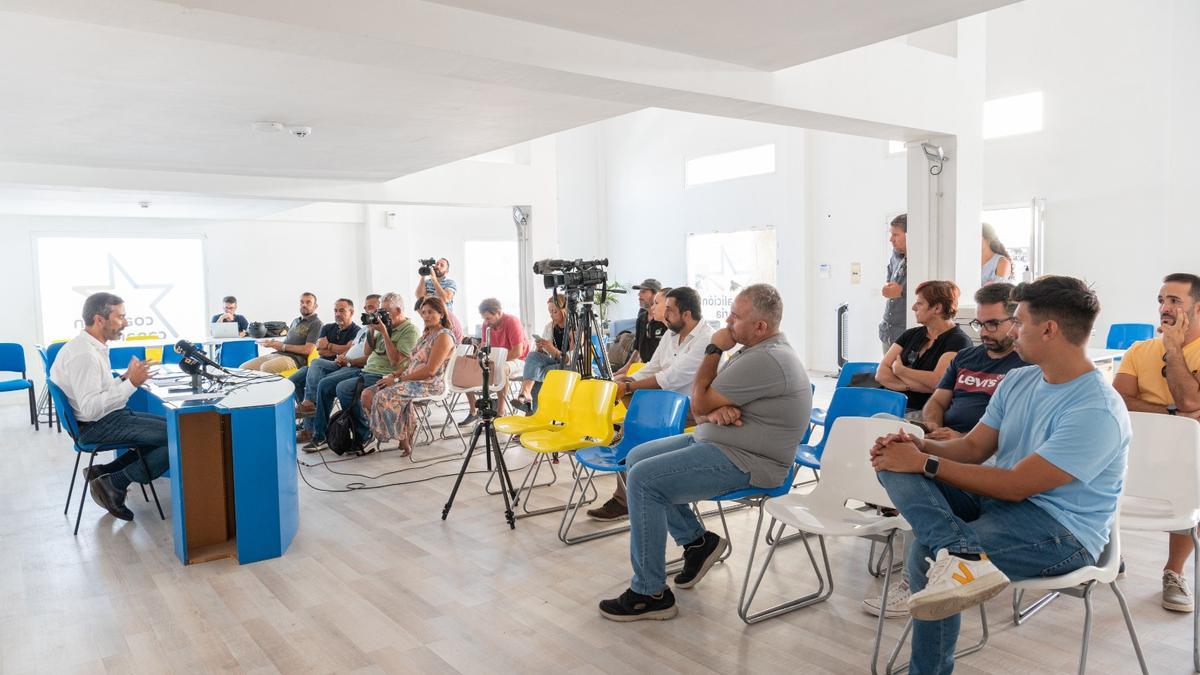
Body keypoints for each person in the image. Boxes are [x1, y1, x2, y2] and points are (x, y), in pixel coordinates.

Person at [872, 275, 1128, 673]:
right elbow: (973, 449)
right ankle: (961, 553)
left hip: (1060, 532)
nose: (1012, 330)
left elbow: (1015, 486)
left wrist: (924, 462)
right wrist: (920, 447)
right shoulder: (1020, 379)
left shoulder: (1096, 409)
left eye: (1019, 322)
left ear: (1048, 329)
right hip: (1000, 503)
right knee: (891, 460)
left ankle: (954, 565)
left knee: (927, 552)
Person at [598, 284, 810, 621]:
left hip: (750, 461)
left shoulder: (767, 358)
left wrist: (713, 349)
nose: (727, 321)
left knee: (643, 480)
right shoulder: (756, 350)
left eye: (736, 317)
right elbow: (708, 402)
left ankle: (649, 592)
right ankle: (697, 543)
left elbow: (700, 398)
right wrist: (714, 409)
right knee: (636, 457)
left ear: (760, 327)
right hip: (720, 441)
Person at [863, 283, 1028, 619]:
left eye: (993, 324)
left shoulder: (1023, 367)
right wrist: (934, 429)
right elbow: (937, 401)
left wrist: (962, 437)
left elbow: (1009, 431)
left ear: (1016, 322)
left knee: (914, 467)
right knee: (890, 443)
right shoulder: (968, 358)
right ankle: (957, 552)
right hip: (945, 438)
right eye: (979, 324)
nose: (984, 332)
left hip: (988, 450)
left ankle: (917, 579)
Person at [587, 286, 715, 523]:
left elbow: (671, 378)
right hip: (663, 403)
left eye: (669, 309)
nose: (663, 314)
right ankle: (626, 490)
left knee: (633, 421)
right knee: (628, 413)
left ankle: (629, 491)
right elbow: (653, 367)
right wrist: (625, 380)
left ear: (686, 314)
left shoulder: (707, 340)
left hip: (692, 409)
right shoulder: (672, 334)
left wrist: (628, 387)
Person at [1113, 272, 1200, 612]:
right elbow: (1119, 399)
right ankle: (1109, 556)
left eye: (1175, 301)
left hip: (1186, 460)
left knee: (1188, 472)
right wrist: (1170, 413)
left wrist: (1174, 348)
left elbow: (1191, 402)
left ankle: (1173, 572)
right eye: (1161, 300)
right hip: (1136, 454)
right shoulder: (1139, 350)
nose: (1164, 307)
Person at [50, 292, 168, 522]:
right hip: (96, 425)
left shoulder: (91, 347)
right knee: (179, 436)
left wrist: (125, 378)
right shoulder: (84, 355)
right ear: (99, 319)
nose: (126, 322)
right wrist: (132, 382)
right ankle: (115, 483)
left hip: (106, 418)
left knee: (174, 429)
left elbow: (100, 392)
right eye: (120, 317)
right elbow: (91, 408)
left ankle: (104, 472)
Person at [362, 296, 457, 456]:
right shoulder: (426, 334)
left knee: (384, 395)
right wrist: (394, 374)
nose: (425, 316)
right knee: (368, 394)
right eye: (423, 312)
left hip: (429, 384)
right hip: (411, 378)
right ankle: (401, 434)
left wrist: (398, 380)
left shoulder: (444, 336)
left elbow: (430, 371)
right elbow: (411, 363)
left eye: (430, 312)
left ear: (441, 314)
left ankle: (404, 437)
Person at [332, 292, 420, 450]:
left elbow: (395, 362)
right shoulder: (385, 325)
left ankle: (365, 432)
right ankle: (363, 430)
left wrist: (385, 333)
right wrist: (372, 329)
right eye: (380, 310)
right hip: (368, 370)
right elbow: (367, 351)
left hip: (389, 374)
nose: (380, 315)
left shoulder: (410, 330)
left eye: (385, 311)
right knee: (337, 386)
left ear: (398, 311)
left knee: (345, 389)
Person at [876, 280, 972, 416]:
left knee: (877, 421)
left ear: (937, 308)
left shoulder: (958, 341)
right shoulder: (910, 334)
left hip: (922, 410)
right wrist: (910, 386)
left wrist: (900, 371)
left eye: (919, 303)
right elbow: (881, 373)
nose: (914, 307)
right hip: (888, 402)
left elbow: (937, 382)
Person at [299, 294, 382, 451]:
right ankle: (315, 429)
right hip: (343, 363)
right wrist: (344, 355)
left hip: (357, 367)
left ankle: (320, 430)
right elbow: (330, 348)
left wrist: (345, 357)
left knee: (324, 382)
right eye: (366, 307)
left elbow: (369, 358)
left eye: (370, 307)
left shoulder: (378, 330)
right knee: (311, 371)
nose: (367, 311)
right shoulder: (364, 330)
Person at [459, 298, 528, 426]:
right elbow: (484, 344)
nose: (486, 322)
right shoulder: (487, 324)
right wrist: (476, 357)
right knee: (466, 369)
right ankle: (474, 411)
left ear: (499, 312)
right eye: (484, 318)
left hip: (518, 360)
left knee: (501, 369)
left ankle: (501, 411)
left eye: (488, 318)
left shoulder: (512, 321)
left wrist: (495, 362)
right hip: (495, 360)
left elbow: (518, 352)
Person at [289, 298, 359, 403]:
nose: (337, 314)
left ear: (351, 312)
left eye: (342, 310)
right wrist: (341, 348)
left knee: (316, 363)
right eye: (335, 310)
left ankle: (311, 402)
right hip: (318, 367)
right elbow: (320, 350)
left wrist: (329, 345)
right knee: (292, 381)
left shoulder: (357, 331)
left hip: (339, 366)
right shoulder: (327, 327)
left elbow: (349, 351)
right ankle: (307, 412)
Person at [511, 294, 570, 411]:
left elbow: (572, 359)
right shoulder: (549, 327)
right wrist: (540, 349)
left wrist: (553, 350)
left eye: (555, 311)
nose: (551, 314)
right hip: (553, 362)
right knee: (533, 356)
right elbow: (543, 356)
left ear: (564, 309)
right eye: (550, 311)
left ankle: (532, 410)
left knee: (536, 372)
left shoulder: (574, 327)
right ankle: (526, 394)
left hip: (569, 365)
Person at [240, 292, 322, 373]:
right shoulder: (295, 321)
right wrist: (274, 344)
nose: (304, 305)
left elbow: (308, 349)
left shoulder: (316, 323)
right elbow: (289, 342)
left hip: (296, 359)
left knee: (266, 368)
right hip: (279, 354)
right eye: (302, 302)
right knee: (244, 367)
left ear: (315, 306)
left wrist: (283, 346)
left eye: (308, 302)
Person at [615, 278, 668, 375]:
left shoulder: (665, 321)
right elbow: (637, 349)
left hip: (662, 372)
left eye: (643, 291)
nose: (639, 295)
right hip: (647, 370)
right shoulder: (641, 319)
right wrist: (626, 368)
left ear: (656, 294)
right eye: (639, 292)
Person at [879, 214, 908, 354]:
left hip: (906, 333)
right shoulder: (895, 256)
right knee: (885, 373)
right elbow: (889, 282)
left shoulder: (924, 261)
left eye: (896, 234)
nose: (891, 239)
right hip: (888, 331)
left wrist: (902, 292)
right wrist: (888, 289)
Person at [415, 257, 463, 340]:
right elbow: (419, 296)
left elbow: (445, 298)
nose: (438, 266)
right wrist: (423, 276)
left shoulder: (450, 283)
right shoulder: (427, 282)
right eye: (437, 264)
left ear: (446, 271)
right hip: (431, 320)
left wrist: (434, 280)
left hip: (445, 320)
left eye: (442, 265)